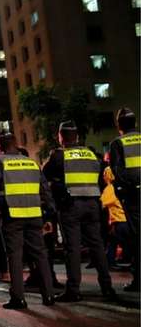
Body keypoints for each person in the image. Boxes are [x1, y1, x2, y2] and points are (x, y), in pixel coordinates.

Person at [43, 121, 116, 302]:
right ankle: (107, 287)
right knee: (97, 246)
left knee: (72, 248)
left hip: (71, 206)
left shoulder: (59, 156)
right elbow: (101, 178)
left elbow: (44, 176)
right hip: (92, 205)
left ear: (61, 136)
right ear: (77, 136)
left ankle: (73, 290)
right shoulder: (91, 154)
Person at [0, 133, 56, 309]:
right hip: (34, 215)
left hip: (13, 216)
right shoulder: (32, 163)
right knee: (41, 255)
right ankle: (48, 295)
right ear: (16, 144)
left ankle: (18, 298)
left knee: (15, 257)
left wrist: (1, 206)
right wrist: (49, 213)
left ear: (1, 147)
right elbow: (45, 190)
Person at [108, 108, 140, 291]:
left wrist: (123, 192)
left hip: (133, 196)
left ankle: (139, 279)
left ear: (119, 125)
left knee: (136, 238)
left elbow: (118, 172)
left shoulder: (117, 143)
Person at [100, 167, 129, 270]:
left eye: (105, 174)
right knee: (117, 241)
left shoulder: (110, 188)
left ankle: (110, 262)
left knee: (115, 241)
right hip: (125, 219)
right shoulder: (121, 185)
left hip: (120, 220)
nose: (103, 176)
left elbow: (102, 203)